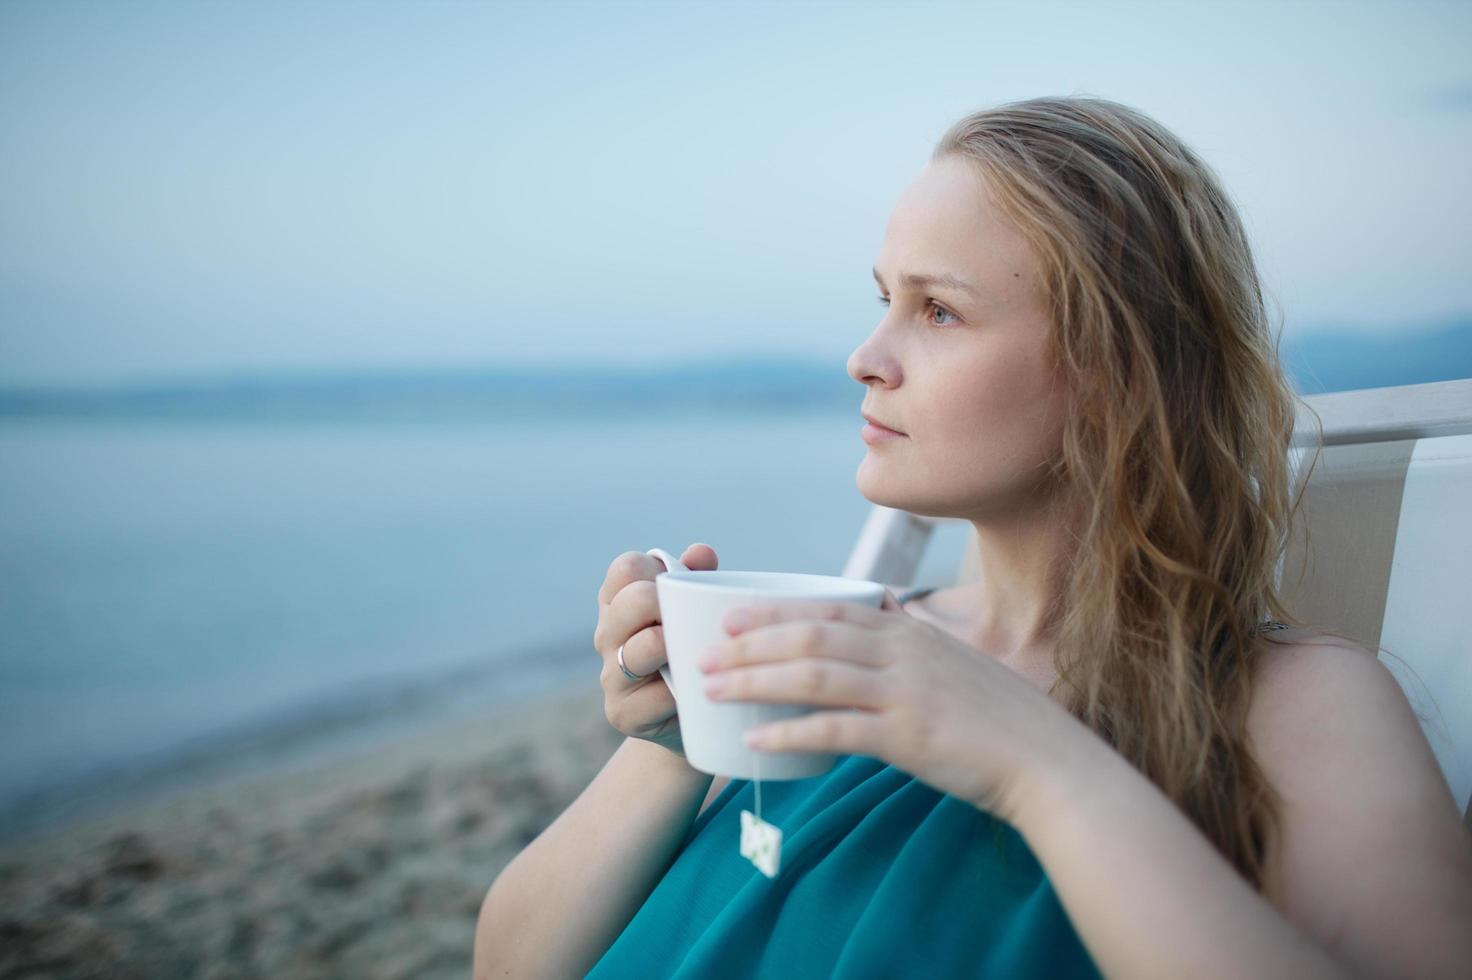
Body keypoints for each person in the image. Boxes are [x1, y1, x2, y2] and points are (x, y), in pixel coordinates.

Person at [473, 96, 1472, 979]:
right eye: (882, 300)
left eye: (938, 310)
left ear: (1116, 374)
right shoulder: (841, 647)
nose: (864, 357)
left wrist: (1039, 766)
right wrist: (671, 747)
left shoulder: (1293, 707)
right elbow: (509, 965)